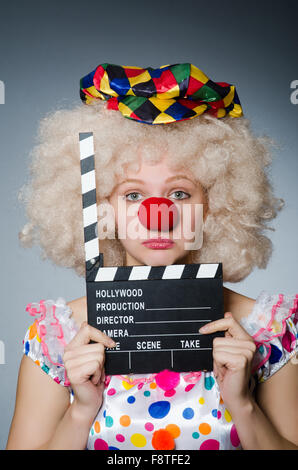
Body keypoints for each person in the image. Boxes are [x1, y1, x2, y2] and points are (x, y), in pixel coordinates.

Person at [6, 63, 298, 450]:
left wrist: (243, 405)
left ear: (214, 204)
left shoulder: (268, 332)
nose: (157, 215)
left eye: (179, 193)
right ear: (101, 208)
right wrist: (80, 412)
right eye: (132, 195)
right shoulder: (55, 340)